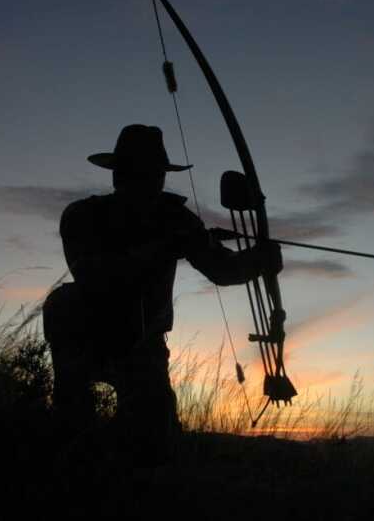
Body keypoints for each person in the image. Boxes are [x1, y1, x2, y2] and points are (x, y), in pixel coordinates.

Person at [42, 124, 281, 461]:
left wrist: (258, 261)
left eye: (154, 174)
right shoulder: (83, 215)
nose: (149, 181)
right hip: (83, 333)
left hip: (144, 343)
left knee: (158, 441)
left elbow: (223, 269)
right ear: (118, 175)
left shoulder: (175, 218)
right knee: (73, 428)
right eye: (136, 173)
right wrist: (167, 245)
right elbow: (94, 275)